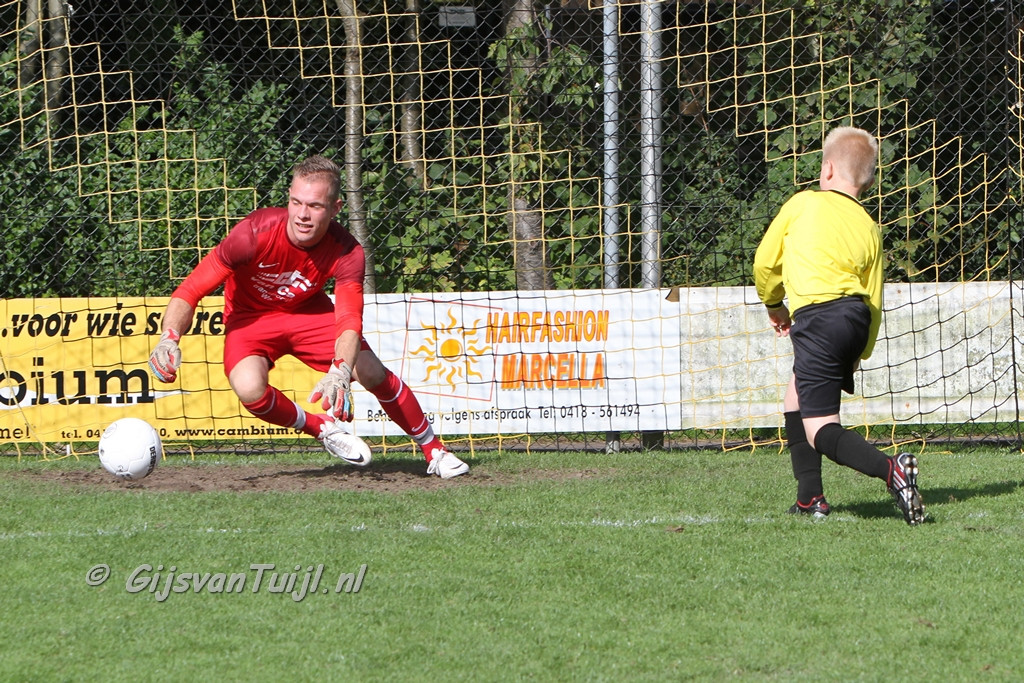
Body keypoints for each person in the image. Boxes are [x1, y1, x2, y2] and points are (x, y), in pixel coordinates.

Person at [147, 155, 469, 478]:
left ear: (335, 208)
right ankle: (320, 427)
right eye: (296, 202)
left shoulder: (347, 251)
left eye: (314, 206)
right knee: (248, 388)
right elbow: (190, 289)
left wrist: (340, 371)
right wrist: (169, 337)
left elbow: (349, 321)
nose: (302, 214)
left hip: (307, 313)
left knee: (370, 370)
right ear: (288, 197)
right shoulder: (253, 234)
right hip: (250, 318)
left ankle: (435, 450)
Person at [752, 126, 923, 525]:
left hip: (819, 318)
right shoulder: (868, 225)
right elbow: (874, 295)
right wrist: (861, 350)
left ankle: (891, 470)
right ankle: (809, 497)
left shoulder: (803, 203)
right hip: (854, 319)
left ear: (827, 169)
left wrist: (774, 304)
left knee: (820, 428)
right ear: (867, 181)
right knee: (796, 396)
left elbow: (764, 263)